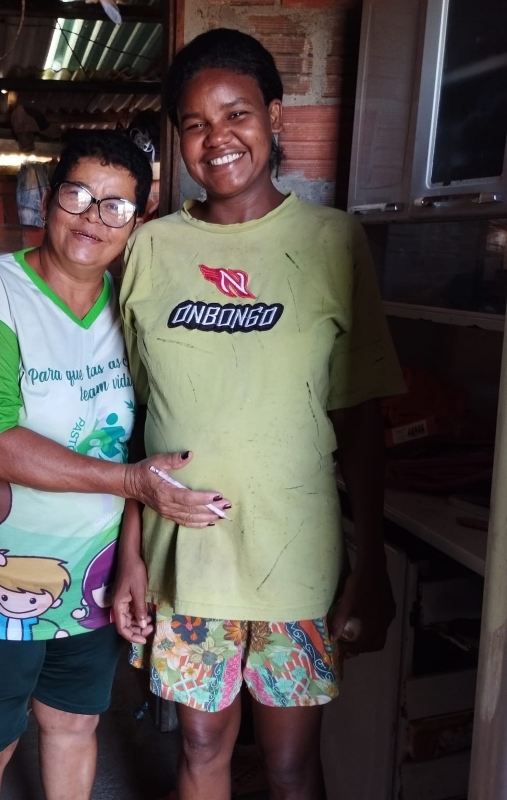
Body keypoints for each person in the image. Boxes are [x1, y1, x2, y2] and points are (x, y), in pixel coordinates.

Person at [114, 29, 407, 800]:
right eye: (195, 123)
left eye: (236, 114)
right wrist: (131, 556)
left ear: (274, 117)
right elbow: (133, 420)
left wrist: (371, 564)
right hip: (186, 561)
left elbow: (361, 418)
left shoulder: (333, 242)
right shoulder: (150, 250)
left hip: (294, 559)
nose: (217, 138)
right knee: (200, 749)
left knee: (289, 765)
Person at [0, 129, 227, 800]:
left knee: (73, 728)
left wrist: (131, 558)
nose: (93, 217)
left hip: (91, 578)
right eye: (78, 195)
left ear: (138, 219)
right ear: (48, 198)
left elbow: (138, 438)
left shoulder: (129, 309)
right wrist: (131, 482)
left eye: (116, 205)